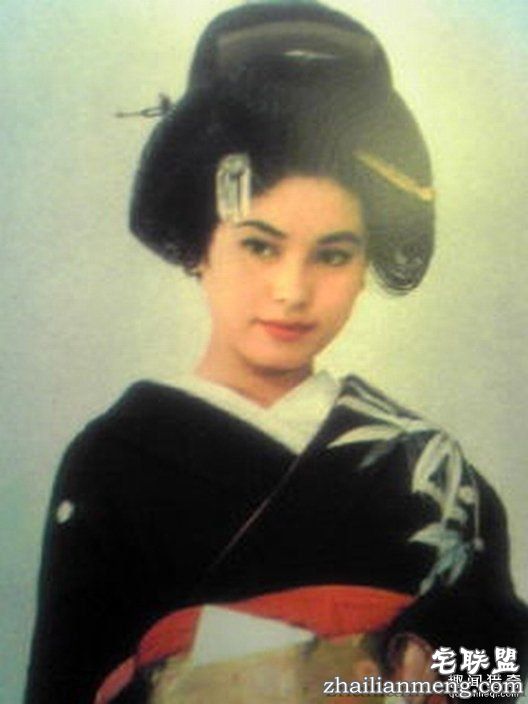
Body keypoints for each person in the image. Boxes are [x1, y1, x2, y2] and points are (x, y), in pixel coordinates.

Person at [25, 3, 527, 703]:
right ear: (198, 245)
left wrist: (427, 658)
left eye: (334, 255)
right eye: (259, 246)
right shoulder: (115, 460)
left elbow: (506, 676)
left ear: (366, 266)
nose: (292, 290)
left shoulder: (440, 476)